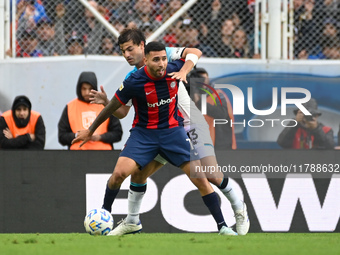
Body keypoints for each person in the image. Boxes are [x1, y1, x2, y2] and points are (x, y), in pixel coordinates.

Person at [89, 28, 249, 236]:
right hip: (164, 130)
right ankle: (132, 221)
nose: (127, 55)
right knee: (138, 174)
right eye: (123, 51)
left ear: (142, 47)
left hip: (191, 124)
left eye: (130, 49)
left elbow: (194, 52)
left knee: (210, 175)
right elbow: (122, 111)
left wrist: (185, 71)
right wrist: (106, 102)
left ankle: (239, 208)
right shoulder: (133, 78)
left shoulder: (164, 55)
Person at [58, 71, 122, 150]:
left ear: (95, 88)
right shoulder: (70, 107)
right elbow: (61, 137)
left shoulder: (104, 105)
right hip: (77, 154)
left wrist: (99, 137)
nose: (87, 92)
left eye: (90, 89)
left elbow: (118, 134)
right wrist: (78, 135)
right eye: (84, 89)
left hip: (103, 154)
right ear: (79, 88)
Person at [188, 67, 236, 150]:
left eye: (205, 79)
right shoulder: (188, 96)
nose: (203, 82)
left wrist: (199, 101)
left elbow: (222, 114)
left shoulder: (217, 94)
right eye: (200, 79)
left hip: (221, 145)